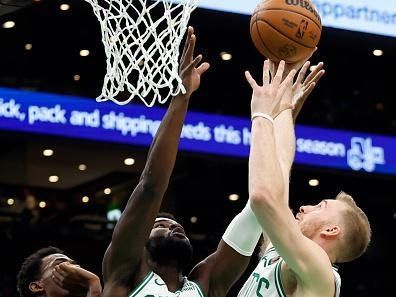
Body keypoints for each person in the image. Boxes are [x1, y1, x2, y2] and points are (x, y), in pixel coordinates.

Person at [101, 26, 271, 297]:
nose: (174, 225)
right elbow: (151, 186)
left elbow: (260, 206)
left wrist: (273, 119)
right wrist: (181, 98)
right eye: (159, 225)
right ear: (139, 242)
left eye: (171, 224)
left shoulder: (206, 283)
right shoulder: (125, 273)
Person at [238, 59, 372, 297]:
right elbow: (279, 167)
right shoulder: (280, 254)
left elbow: (263, 197)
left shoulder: (318, 270)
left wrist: (261, 115)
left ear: (331, 230)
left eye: (320, 206)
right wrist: (283, 109)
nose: (304, 207)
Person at [17, 246, 102, 297]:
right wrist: (93, 284)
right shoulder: (93, 284)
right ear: (37, 286)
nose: (74, 269)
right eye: (61, 264)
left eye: (74, 265)